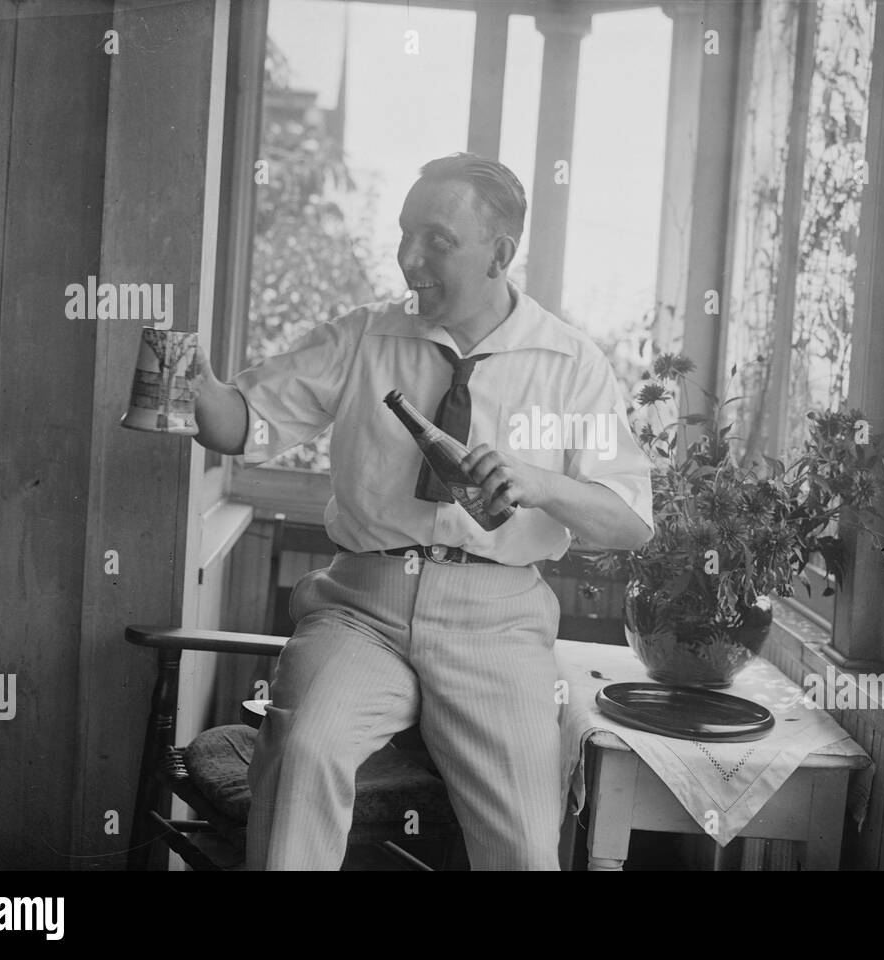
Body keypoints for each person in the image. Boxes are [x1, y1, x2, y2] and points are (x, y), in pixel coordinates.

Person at [190, 153, 654, 870]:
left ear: (500, 253)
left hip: (497, 624)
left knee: (527, 850)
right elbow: (237, 422)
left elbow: (629, 520)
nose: (410, 259)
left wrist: (541, 484)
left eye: (437, 240)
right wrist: (194, 380)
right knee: (304, 753)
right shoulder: (365, 338)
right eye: (406, 235)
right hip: (360, 610)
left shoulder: (570, 365)